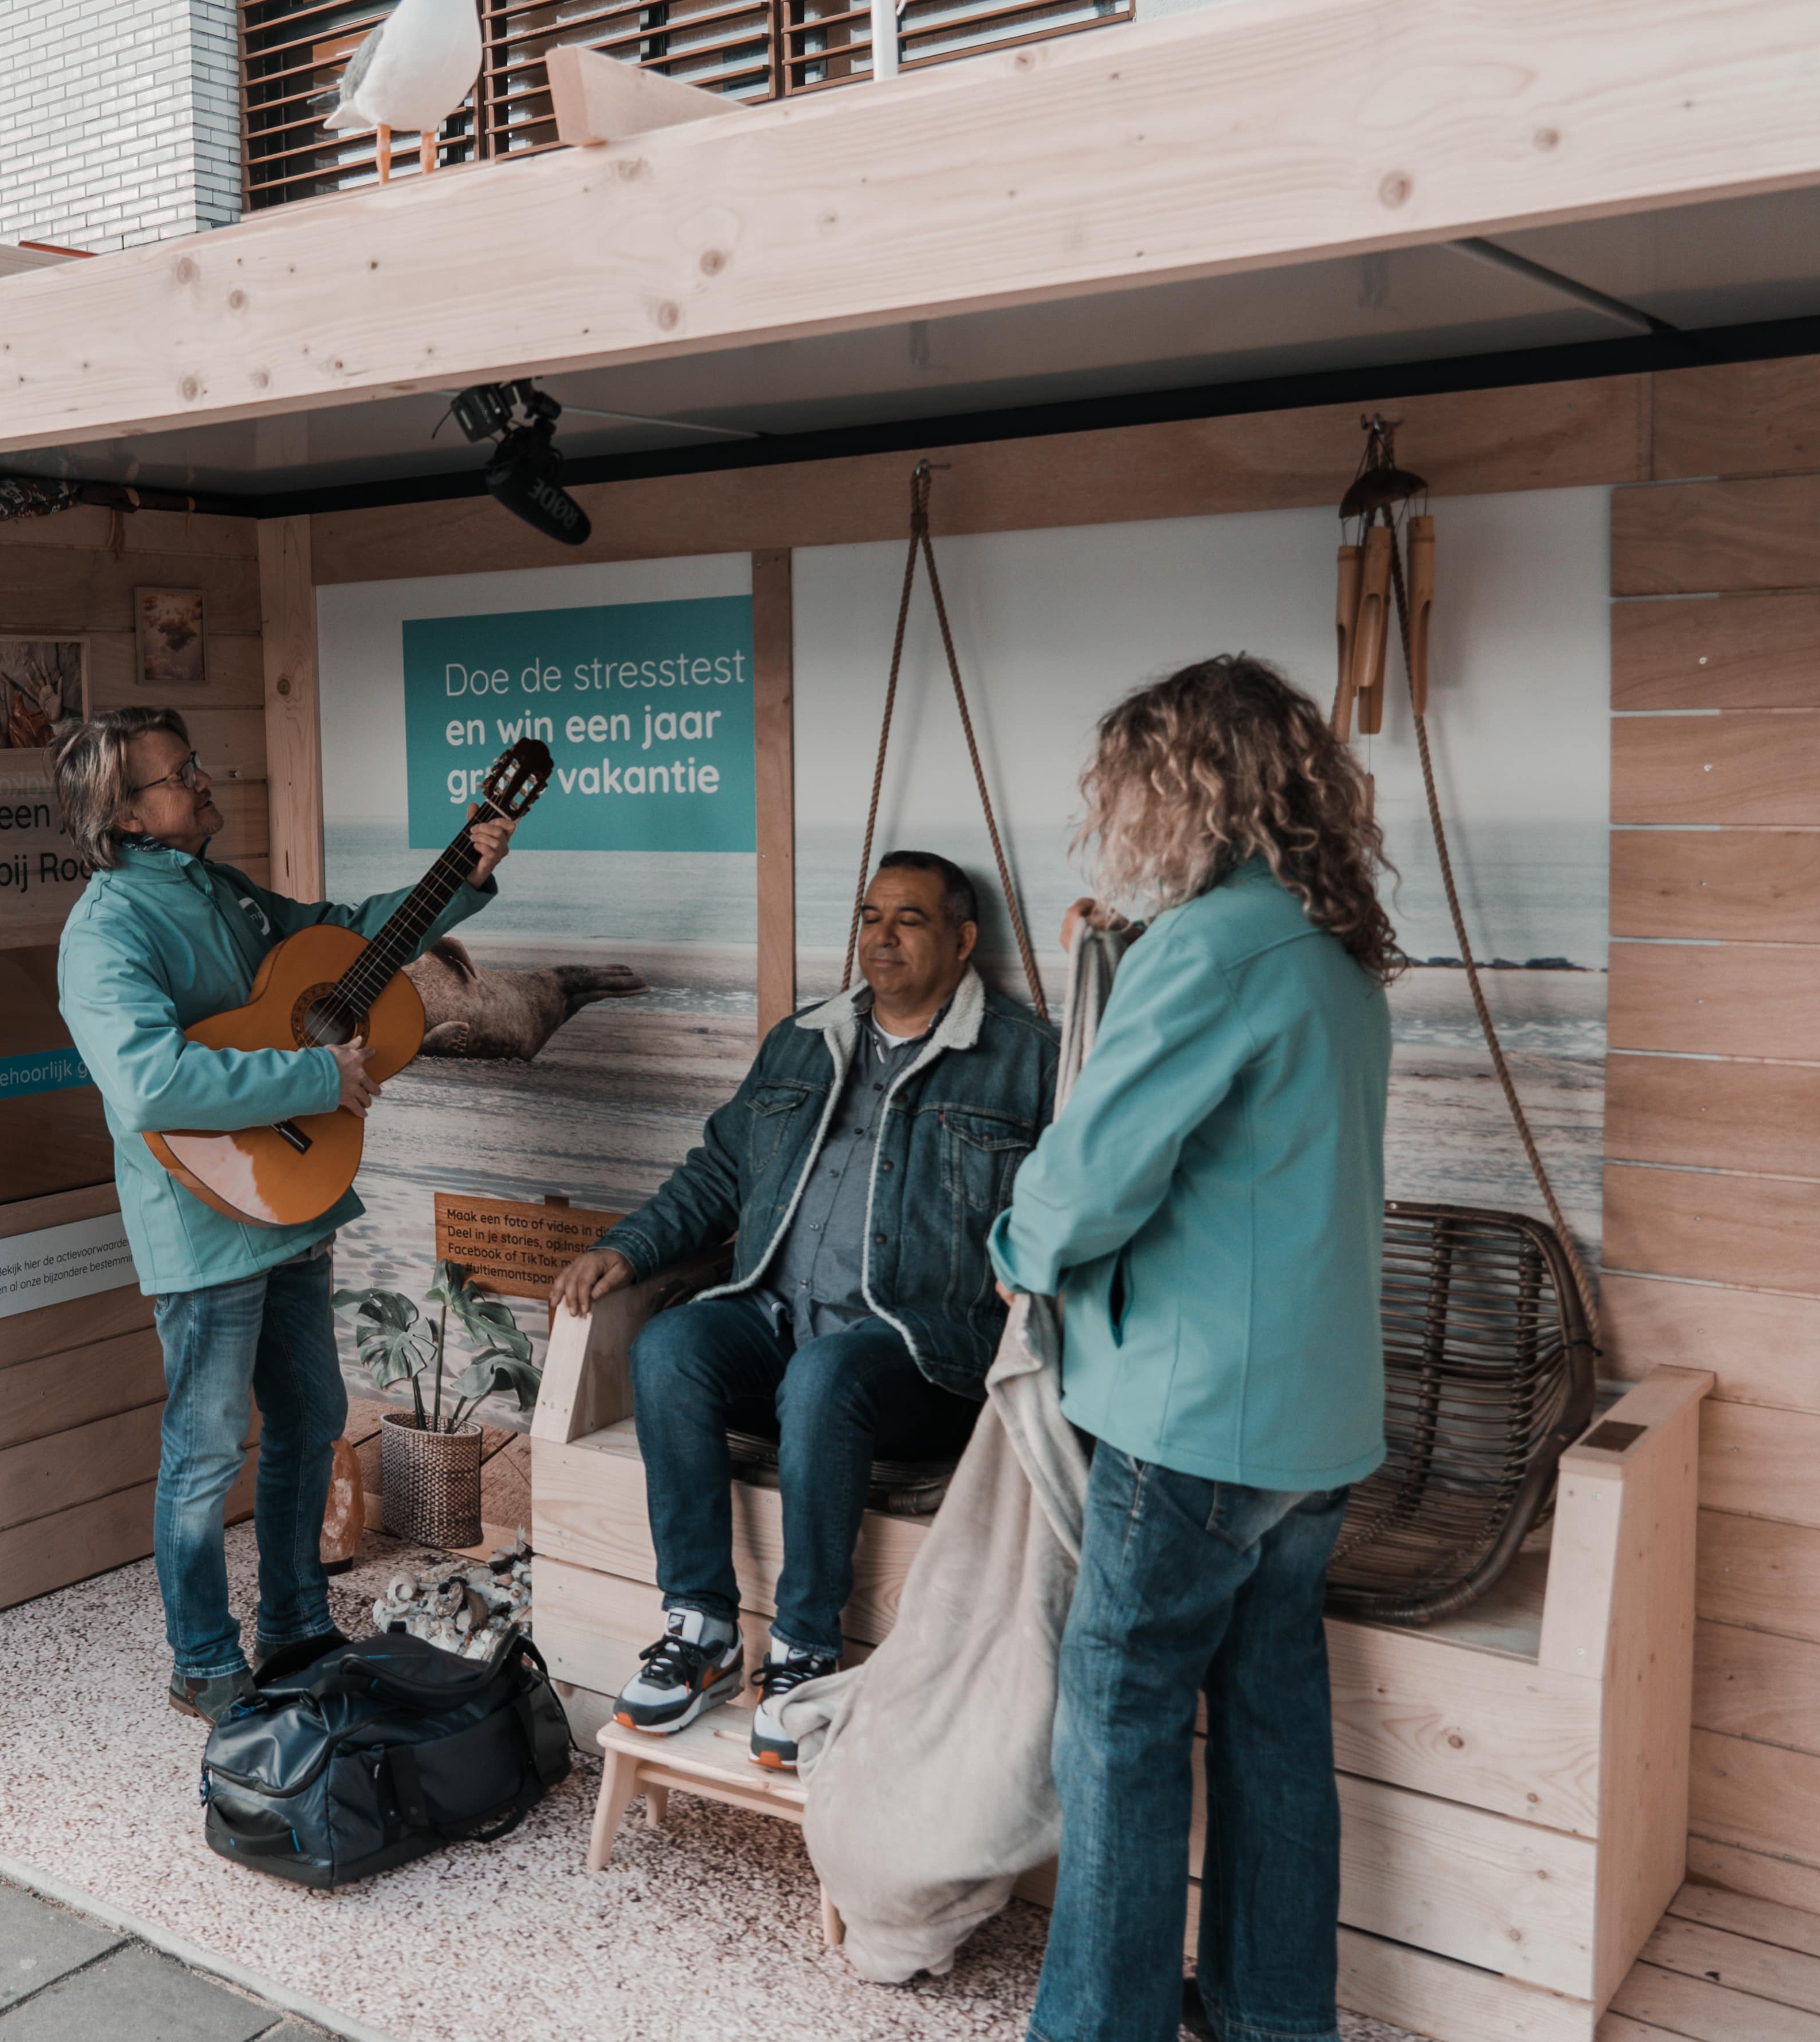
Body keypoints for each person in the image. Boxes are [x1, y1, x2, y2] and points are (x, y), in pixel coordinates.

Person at [987, 656, 1395, 2042]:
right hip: (1318, 1424)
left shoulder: (1211, 947)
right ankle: (1275, 2017)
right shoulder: (1332, 945)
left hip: (1193, 1422)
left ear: (1188, 789)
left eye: (1130, 788)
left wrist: (1011, 1254)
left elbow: (1092, 1172)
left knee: (1118, 1716)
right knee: (1275, 1725)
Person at [52, 706, 512, 1726]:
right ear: (126, 814)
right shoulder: (107, 933)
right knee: (208, 1449)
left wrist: (459, 877)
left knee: (308, 1423)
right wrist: (315, 1073)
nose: (206, 783)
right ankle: (205, 1662)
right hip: (203, 1225)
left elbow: (345, 937)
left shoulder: (223, 891)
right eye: (182, 776)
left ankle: (298, 1624)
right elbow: (148, 1082)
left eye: (197, 765)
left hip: (291, 1206)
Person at [552, 852, 1059, 1767]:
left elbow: (1073, 1202)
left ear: (964, 938)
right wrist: (625, 1248)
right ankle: (700, 1626)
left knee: (829, 1376)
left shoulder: (1026, 1060)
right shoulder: (805, 1039)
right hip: (776, 1322)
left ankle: (804, 1650)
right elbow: (719, 1171)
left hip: (921, 1353)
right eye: (871, 915)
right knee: (671, 1346)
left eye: (909, 918)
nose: (884, 935)